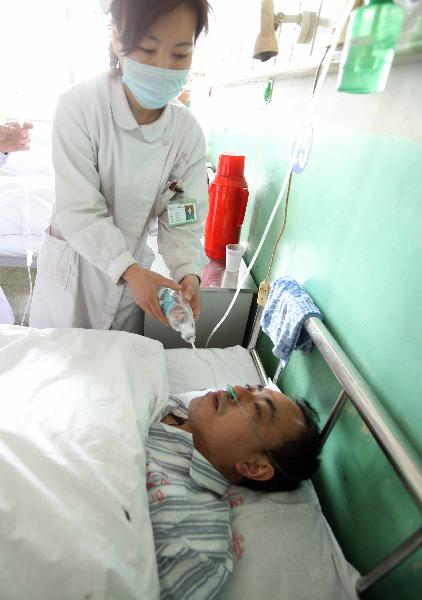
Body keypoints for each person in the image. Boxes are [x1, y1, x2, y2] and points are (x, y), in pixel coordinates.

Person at [29, 0, 210, 332]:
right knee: (61, 367)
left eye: (180, 55)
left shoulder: (186, 134)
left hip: (130, 292)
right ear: (116, 36)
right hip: (74, 279)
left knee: (112, 370)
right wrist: (128, 270)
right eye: (148, 49)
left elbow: (182, 217)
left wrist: (187, 272)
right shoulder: (80, 108)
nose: (164, 67)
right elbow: (80, 211)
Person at [146, 384, 321, 598]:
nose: (236, 390)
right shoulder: (163, 398)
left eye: (257, 409)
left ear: (254, 467)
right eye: (251, 388)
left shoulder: (195, 539)